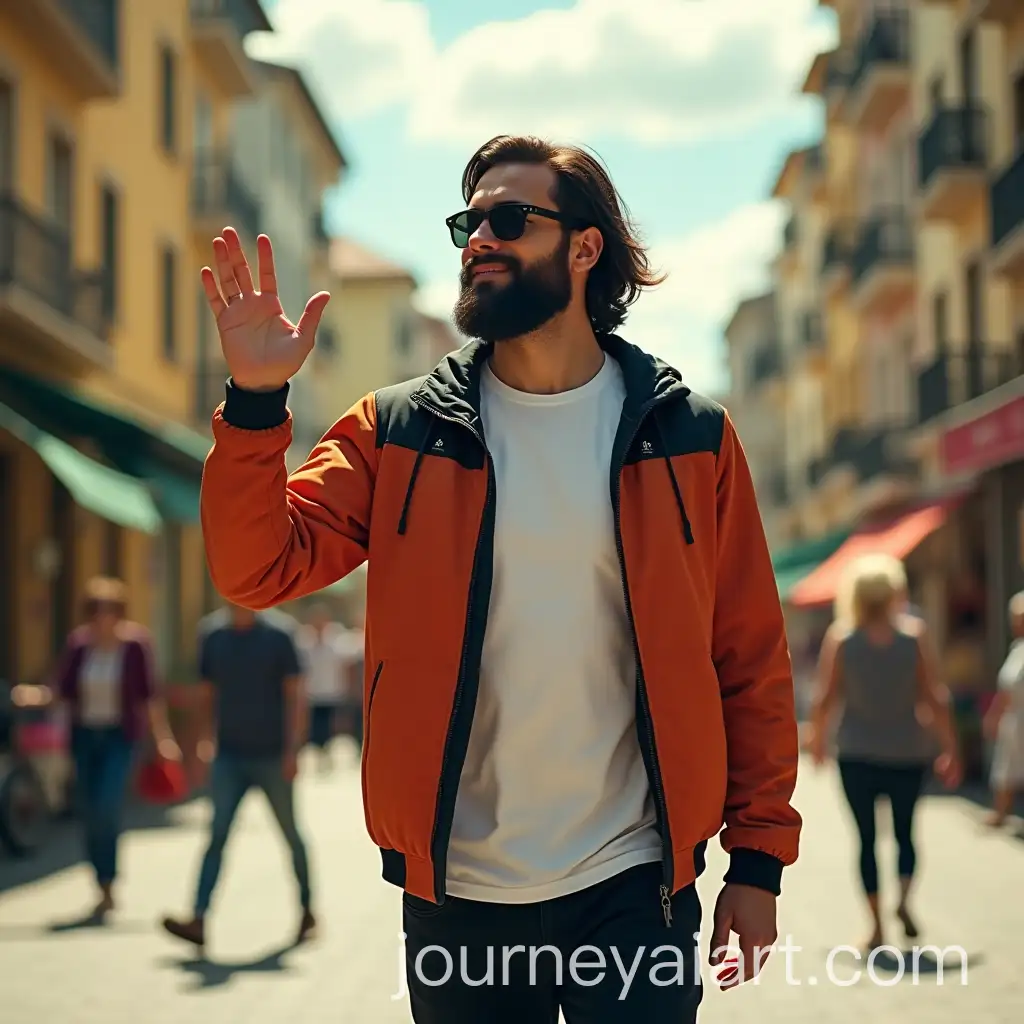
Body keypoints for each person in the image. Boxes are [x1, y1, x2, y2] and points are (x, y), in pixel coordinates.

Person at [197, 134, 801, 1021]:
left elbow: (747, 656)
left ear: (584, 247)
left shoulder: (691, 435)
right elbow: (256, 570)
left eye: (508, 219)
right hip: (460, 897)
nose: (479, 238)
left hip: (635, 883)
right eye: (468, 222)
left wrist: (758, 863)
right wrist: (255, 401)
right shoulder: (396, 429)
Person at [809, 554, 961, 951]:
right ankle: (905, 901)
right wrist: (950, 748)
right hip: (907, 752)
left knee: (866, 840)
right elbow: (935, 697)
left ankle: (875, 927)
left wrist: (818, 743)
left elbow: (825, 698)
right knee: (906, 834)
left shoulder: (841, 639)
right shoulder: (914, 636)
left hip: (856, 753)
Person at [160, 602, 316, 951]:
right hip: (229, 755)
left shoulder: (280, 635)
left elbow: (296, 695)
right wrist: (200, 745)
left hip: (274, 755)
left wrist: (294, 749)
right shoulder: (213, 635)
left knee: (291, 835)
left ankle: (307, 911)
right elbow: (206, 694)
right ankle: (198, 918)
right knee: (216, 835)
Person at [50, 576, 180, 920]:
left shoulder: (135, 646)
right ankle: (100, 880)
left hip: (119, 737)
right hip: (84, 736)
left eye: (108, 610)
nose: (101, 617)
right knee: (89, 811)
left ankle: (109, 880)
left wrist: (163, 739)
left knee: (107, 805)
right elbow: (61, 691)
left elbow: (150, 697)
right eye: (94, 610)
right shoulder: (79, 646)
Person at [983, 591, 1024, 827]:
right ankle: (1001, 812)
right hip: (1014, 718)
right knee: (1006, 766)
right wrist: (994, 715)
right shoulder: (1017, 649)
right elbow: (1006, 689)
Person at [297, 602, 349, 771]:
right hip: (312, 693)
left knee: (329, 727)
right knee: (314, 727)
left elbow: (344, 667)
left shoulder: (337, 639)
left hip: (331, 692)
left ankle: (326, 753)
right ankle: (319, 754)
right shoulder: (303, 641)